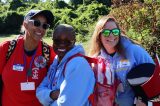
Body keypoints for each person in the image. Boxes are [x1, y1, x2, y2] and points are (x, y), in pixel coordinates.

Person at [88, 15, 154, 106]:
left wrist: (145, 100)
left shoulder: (134, 51)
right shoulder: (95, 60)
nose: (111, 35)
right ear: (99, 35)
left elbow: (154, 76)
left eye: (115, 31)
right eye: (106, 32)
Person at [0, 9, 55, 106]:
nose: (41, 28)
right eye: (36, 23)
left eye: (45, 25)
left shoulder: (49, 52)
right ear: (25, 24)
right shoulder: (7, 48)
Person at [36, 24, 95, 106]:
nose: (62, 44)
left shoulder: (78, 64)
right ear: (52, 40)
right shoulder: (57, 61)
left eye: (67, 42)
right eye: (57, 41)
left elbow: (67, 103)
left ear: (74, 42)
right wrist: (53, 94)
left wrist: (48, 96)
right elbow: (39, 91)